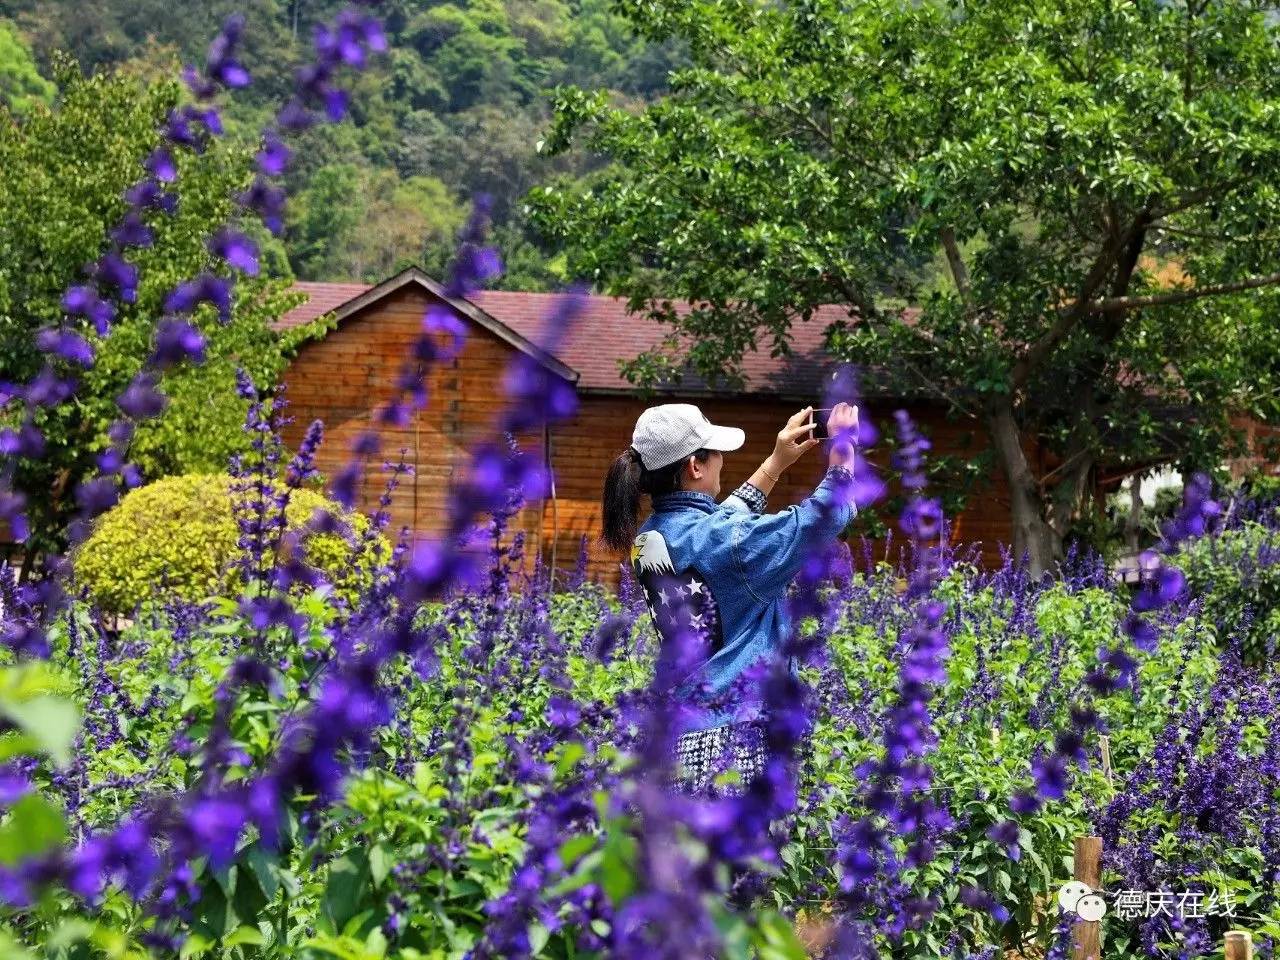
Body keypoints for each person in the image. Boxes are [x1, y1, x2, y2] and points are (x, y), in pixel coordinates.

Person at [601, 401, 859, 794]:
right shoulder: (727, 543)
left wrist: (775, 463)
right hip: (738, 742)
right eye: (716, 451)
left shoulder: (650, 537)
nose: (723, 459)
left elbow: (719, 528)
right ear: (695, 466)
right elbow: (824, 517)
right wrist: (843, 449)